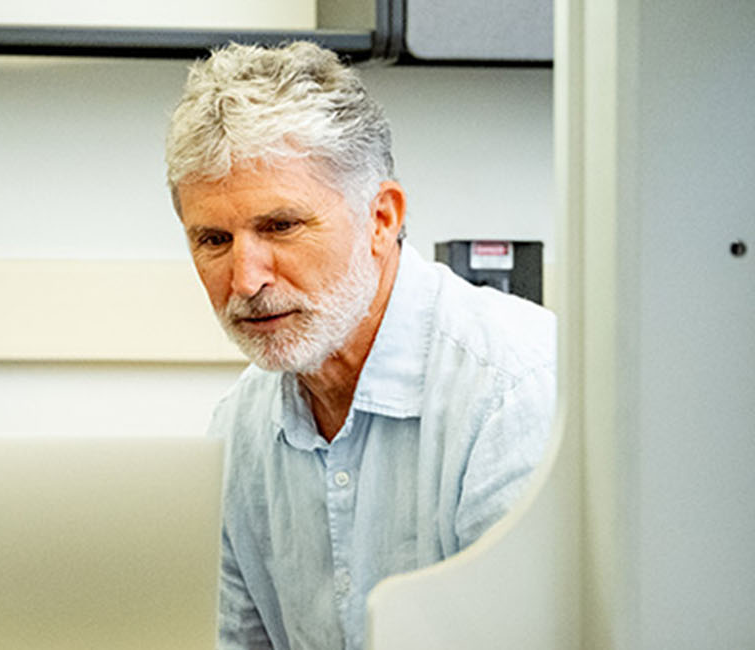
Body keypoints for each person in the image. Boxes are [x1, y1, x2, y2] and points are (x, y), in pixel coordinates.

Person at [164, 42, 555, 650]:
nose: (246, 280)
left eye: (280, 226)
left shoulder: (513, 391)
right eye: (214, 239)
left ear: (382, 219)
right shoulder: (240, 427)